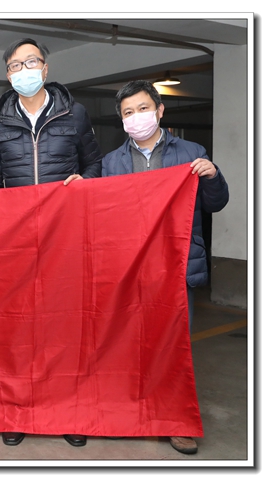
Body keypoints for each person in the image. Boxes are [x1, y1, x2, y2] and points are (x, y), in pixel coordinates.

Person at [0, 38, 103, 448]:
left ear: (46, 68)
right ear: (8, 75)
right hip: (16, 242)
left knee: (65, 328)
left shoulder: (75, 113)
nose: (24, 70)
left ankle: (68, 411)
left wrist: (85, 182)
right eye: (16, 65)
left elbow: (94, 164)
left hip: (64, 238)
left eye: (31, 61)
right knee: (18, 329)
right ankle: (18, 411)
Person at [102, 80, 229, 455]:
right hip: (131, 266)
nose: (136, 117)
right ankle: (130, 414)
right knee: (127, 342)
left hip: (176, 264)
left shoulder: (191, 153)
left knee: (174, 346)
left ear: (159, 110)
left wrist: (212, 175)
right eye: (128, 112)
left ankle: (175, 421)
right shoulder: (111, 162)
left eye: (143, 108)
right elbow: (103, 212)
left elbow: (214, 203)